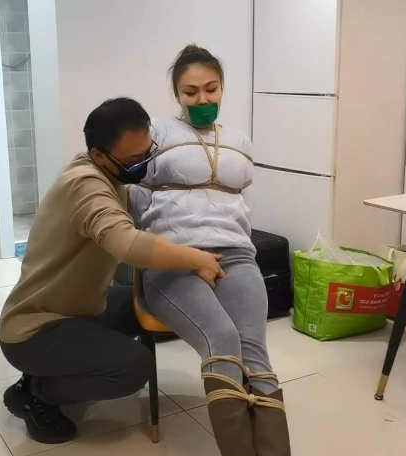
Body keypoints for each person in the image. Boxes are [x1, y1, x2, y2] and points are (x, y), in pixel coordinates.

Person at [0, 97, 225, 444]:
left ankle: (61, 368)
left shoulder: (106, 172)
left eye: (147, 153)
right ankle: (35, 392)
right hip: (35, 328)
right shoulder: (84, 184)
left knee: (152, 302)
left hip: (81, 308)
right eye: (133, 160)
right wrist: (195, 258)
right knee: (132, 368)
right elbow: (126, 244)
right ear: (100, 155)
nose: (142, 165)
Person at [130, 44, 292, 456]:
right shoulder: (156, 135)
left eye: (211, 89)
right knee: (222, 339)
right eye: (190, 92)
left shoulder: (238, 140)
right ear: (176, 94)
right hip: (172, 258)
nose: (202, 99)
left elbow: (240, 205)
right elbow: (133, 198)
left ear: (222, 89)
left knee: (255, 352)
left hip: (235, 254)